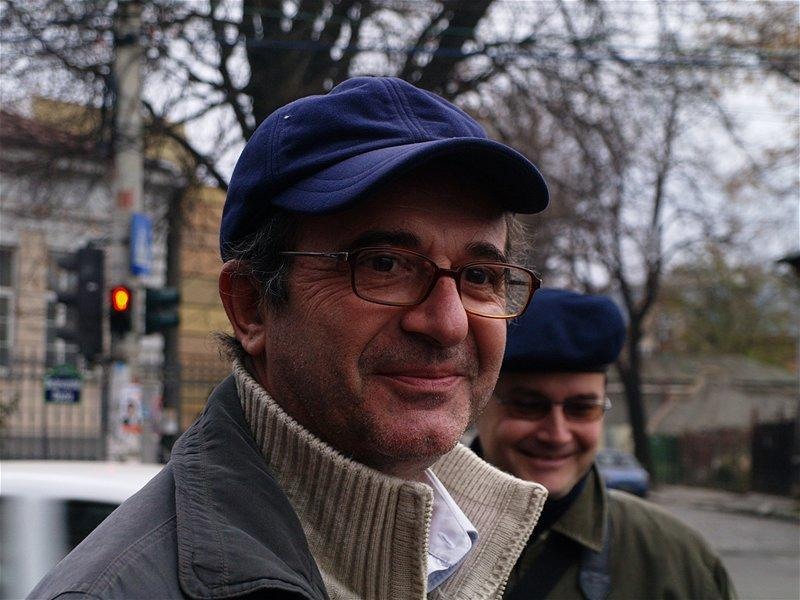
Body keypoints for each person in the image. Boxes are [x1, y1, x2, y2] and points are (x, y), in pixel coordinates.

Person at [31, 77, 551, 600]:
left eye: (480, 276)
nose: (448, 323)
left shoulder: (483, 555)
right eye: (384, 265)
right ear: (251, 306)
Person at [474, 288, 736, 599]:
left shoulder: (679, 563)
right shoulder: (422, 535)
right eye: (528, 405)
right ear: (478, 402)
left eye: (581, 408)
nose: (557, 434)